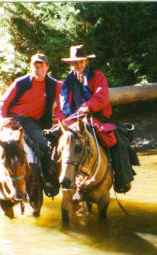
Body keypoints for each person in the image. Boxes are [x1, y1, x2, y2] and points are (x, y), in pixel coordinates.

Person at [48, 44, 139, 193]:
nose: (78, 65)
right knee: (53, 139)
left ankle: (121, 179)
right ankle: (52, 180)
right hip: (71, 120)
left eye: (81, 62)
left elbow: (102, 97)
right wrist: (60, 121)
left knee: (117, 140)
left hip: (95, 117)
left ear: (86, 62)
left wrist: (88, 107)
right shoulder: (66, 83)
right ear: (71, 64)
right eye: (75, 63)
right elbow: (60, 107)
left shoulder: (98, 76)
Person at [0, 53, 62, 205]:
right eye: (36, 66)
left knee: (45, 145)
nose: (39, 69)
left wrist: (57, 121)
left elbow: (63, 104)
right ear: (31, 67)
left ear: (47, 67)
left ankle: (48, 181)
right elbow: (3, 102)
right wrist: (2, 119)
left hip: (33, 122)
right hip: (12, 119)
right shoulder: (20, 83)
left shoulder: (55, 85)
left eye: (42, 66)